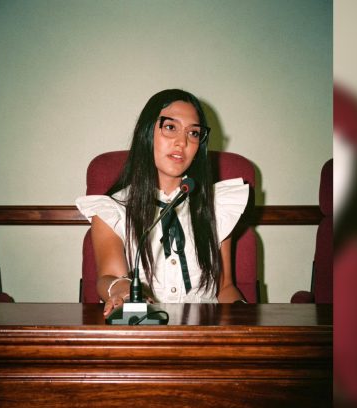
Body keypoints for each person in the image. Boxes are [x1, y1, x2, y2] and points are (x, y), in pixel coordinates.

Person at [76, 89, 250, 316]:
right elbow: (109, 276)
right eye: (170, 127)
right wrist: (122, 290)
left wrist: (247, 316)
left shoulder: (217, 206)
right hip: (145, 329)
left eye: (193, 133)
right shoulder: (113, 209)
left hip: (205, 331)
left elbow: (225, 289)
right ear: (147, 132)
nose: (182, 142)